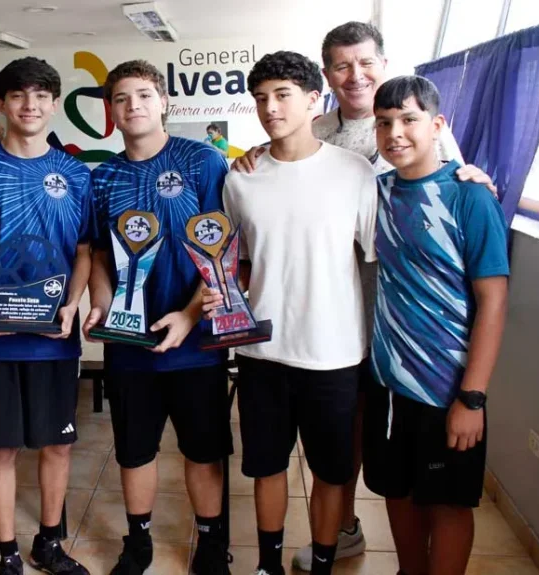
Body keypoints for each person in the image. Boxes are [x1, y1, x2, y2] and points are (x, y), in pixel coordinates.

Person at [229, 22, 496, 571]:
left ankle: (336, 544)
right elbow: (247, 250)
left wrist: (477, 181)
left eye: (365, 62)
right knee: (383, 476)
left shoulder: (382, 167)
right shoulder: (287, 150)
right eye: (342, 65)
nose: (394, 132)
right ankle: (328, 539)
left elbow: (439, 192)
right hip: (351, 354)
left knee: (371, 469)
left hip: (376, 343)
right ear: (327, 80)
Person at [208, 51, 378, 575]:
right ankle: (269, 565)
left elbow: (375, 256)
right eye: (261, 98)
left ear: (313, 100)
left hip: (334, 353)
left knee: (330, 472)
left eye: (282, 95)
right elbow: (237, 262)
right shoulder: (241, 178)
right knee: (266, 467)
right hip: (261, 351)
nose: (271, 108)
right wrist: (223, 295)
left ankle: (324, 562)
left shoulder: (354, 172)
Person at [82, 60, 233, 575]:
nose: (134, 106)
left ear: (164, 101)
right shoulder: (103, 178)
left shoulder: (202, 161)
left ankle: (210, 543)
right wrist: (101, 304)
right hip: (130, 346)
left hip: (196, 343)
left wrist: (189, 315)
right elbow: (100, 255)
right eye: (122, 98)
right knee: (134, 451)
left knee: (203, 451)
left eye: (144, 95)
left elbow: (222, 250)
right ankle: (138, 541)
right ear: (111, 109)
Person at [0, 56, 93, 575]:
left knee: (57, 446)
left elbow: (84, 250)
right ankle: (8, 552)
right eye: (18, 95)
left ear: (54, 105)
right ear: (1, 104)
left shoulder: (75, 172)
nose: (29, 105)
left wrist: (72, 304)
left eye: (40, 96)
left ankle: (48, 543)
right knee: (1, 449)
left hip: (54, 337)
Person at [365, 75, 509, 575]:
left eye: (409, 119)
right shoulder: (377, 192)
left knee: (447, 503)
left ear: (437, 124)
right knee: (398, 492)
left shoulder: (470, 197)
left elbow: (493, 302)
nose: (395, 133)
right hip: (387, 383)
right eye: (384, 123)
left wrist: (473, 398)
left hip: (448, 388)